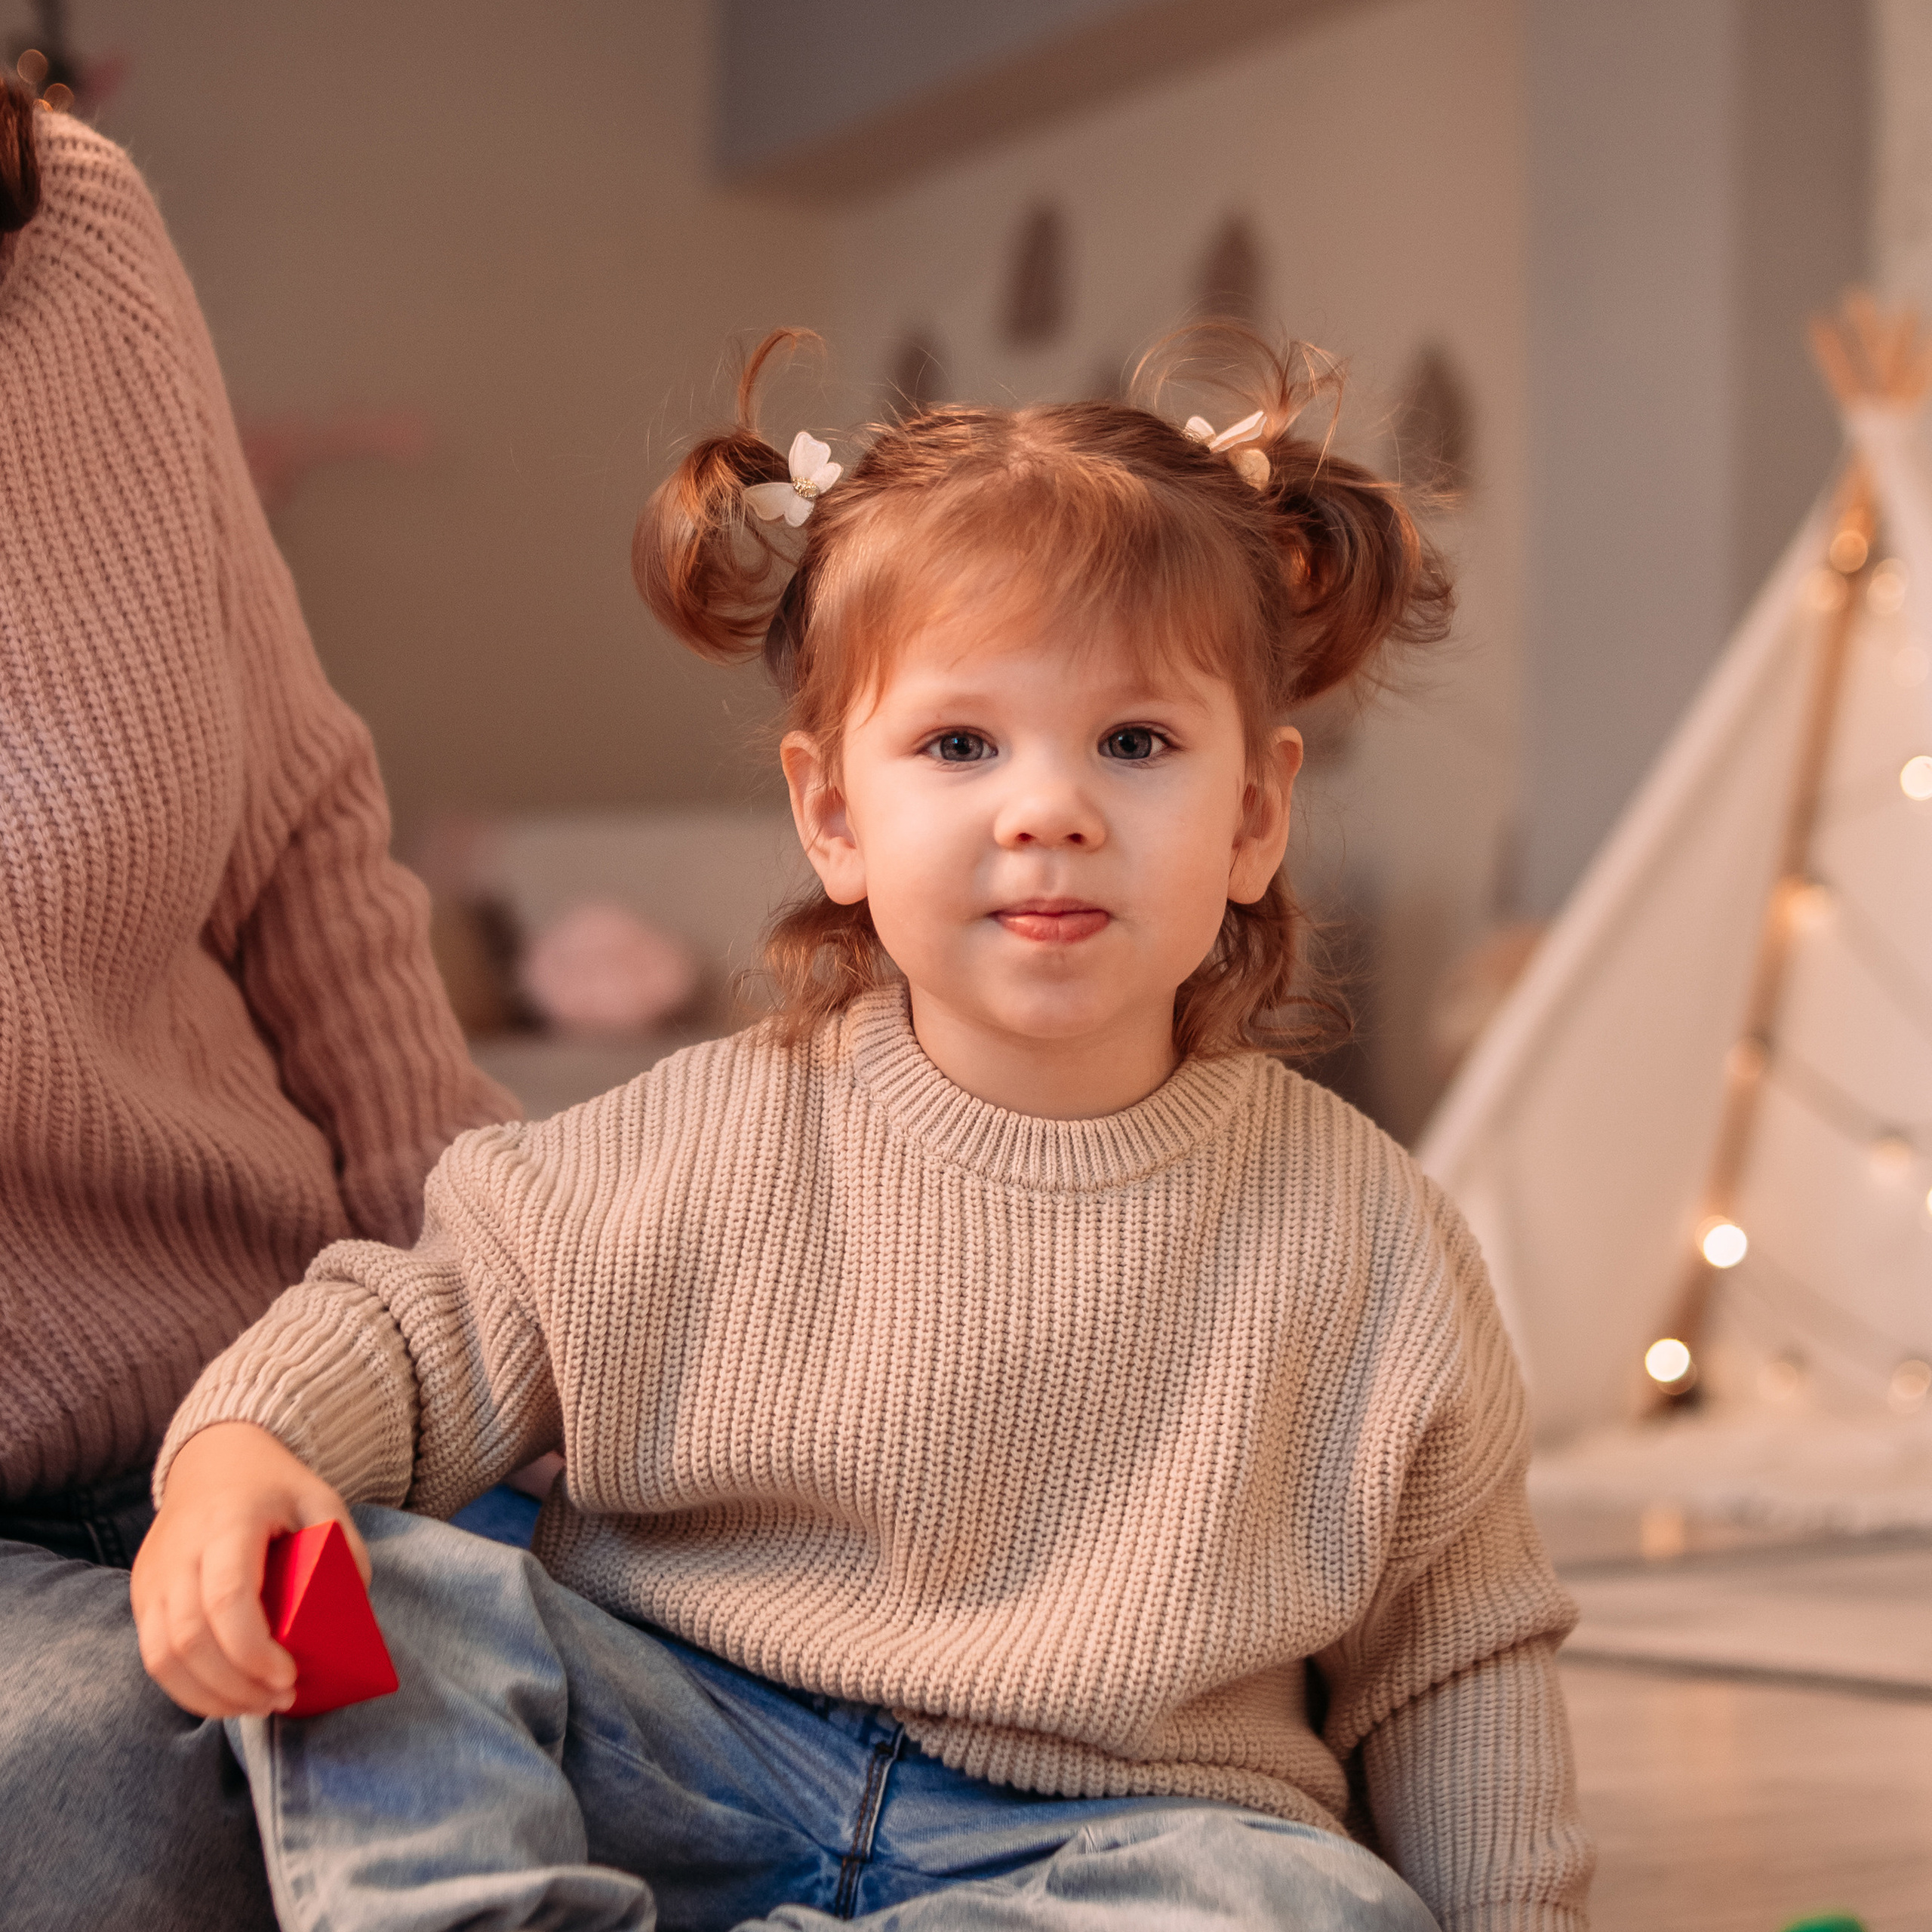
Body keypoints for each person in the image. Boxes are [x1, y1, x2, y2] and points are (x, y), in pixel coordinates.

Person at [134, 325, 1595, 1930]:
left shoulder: (1372, 1236)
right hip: (686, 1741)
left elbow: (1455, 1661)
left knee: (1310, 1908)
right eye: (959, 744)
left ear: (1254, 812)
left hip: (1101, 1835)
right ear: (833, 812)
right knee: (393, 1582)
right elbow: (409, 1328)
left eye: (1136, 741)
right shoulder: (695, 1139)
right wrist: (236, 1456)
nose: (1046, 807)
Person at [0, 85, 516, 1929]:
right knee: (156, 1793)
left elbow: (299, 832)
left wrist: (492, 1299)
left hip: (275, 1386)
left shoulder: (70, 226)